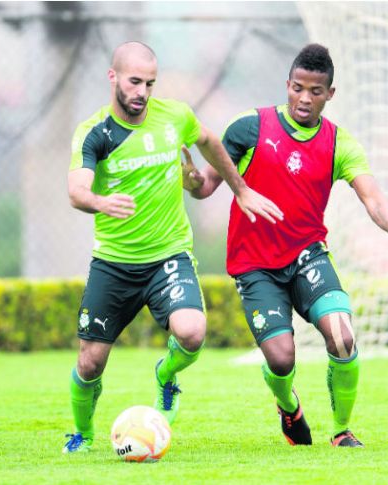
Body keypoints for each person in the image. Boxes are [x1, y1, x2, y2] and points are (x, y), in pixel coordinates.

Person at [182, 43, 388, 448]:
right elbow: (206, 186)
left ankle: (342, 431)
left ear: (330, 94)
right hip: (255, 265)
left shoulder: (338, 143)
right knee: (281, 359)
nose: (304, 99)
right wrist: (191, 181)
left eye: (314, 91)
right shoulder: (248, 128)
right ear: (287, 84)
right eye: (297, 88)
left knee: (342, 336)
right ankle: (288, 406)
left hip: (307, 255)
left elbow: (371, 196)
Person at [62, 41, 283, 454]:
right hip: (114, 263)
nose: (142, 92)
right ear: (113, 78)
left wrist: (239, 189)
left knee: (193, 332)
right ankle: (82, 433)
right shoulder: (95, 133)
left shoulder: (175, 116)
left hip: (169, 256)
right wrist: (99, 201)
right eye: (134, 82)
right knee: (90, 362)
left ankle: (166, 375)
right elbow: (76, 191)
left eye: (149, 83)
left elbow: (209, 141)